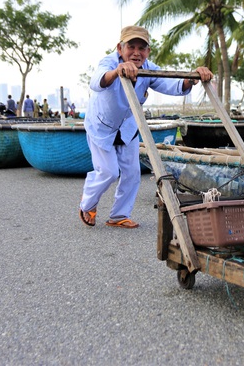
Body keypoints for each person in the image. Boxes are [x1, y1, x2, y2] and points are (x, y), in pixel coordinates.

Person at [79, 25, 213, 229]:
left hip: (128, 128)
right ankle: (87, 205)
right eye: (131, 47)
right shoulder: (109, 62)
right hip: (102, 126)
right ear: (119, 48)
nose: (136, 52)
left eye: (141, 48)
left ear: (148, 52)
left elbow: (173, 86)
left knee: (132, 174)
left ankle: (119, 216)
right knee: (108, 172)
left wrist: (192, 78)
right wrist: (117, 71)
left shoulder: (149, 68)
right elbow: (97, 81)